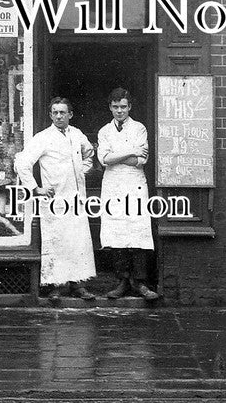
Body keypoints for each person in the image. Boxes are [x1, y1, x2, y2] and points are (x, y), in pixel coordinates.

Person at [14, 97, 96, 301]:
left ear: (70, 114)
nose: (59, 116)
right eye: (55, 113)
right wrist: (35, 188)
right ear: (50, 115)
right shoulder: (43, 137)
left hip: (76, 200)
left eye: (63, 112)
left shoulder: (77, 135)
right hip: (54, 200)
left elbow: (89, 153)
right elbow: (22, 162)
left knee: (77, 242)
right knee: (56, 242)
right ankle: (55, 287)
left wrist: (82, 171)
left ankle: (78, 285)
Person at [97, 87, 159, 302]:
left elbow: (140, 161)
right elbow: (104, 159)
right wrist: (131, 151)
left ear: (129, 107)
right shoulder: (105, 131)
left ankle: (140, 282)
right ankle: (122, 282)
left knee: (137, 230)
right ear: (110, 107)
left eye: (123, 106)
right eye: (115, 107)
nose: (119, 111)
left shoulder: (139, 128)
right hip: (113, 186)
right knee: (117, 232)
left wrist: (118, 156)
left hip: (135, 185)